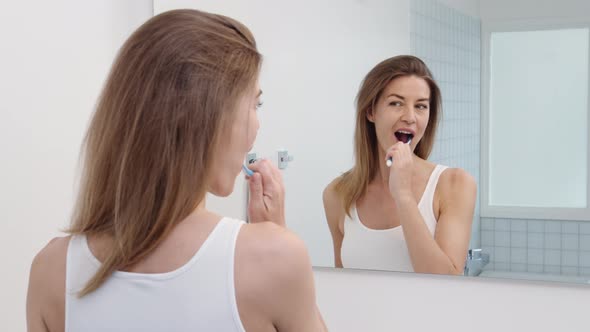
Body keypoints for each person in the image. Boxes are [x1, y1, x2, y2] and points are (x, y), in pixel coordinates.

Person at [26, 9, 326, 332]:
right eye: (255, 104)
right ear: (206, 113)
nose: (257, 126)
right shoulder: (275, 258)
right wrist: (276, 233)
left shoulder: (51, 271)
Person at [323, 55, 476, 275]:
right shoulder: (337, 194)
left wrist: (403, 196)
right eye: (396, 103)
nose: (410, 117)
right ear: (371, 111)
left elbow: (446, 284)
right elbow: (344, 283)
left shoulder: (454, 184)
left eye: (421, 106)